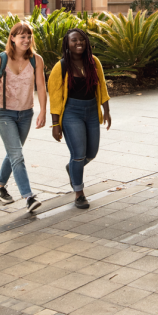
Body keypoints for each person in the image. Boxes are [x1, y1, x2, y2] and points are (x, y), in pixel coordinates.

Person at [0, 21, 47, 214]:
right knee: (17, 155)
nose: (26, 40)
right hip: (4, 113)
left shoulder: (36, 60)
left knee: (14, 153)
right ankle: (28, 197)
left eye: (29, 37)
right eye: (22, 36)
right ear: (12, 38)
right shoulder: (0, 59)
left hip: (26, 113)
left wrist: (43, 111)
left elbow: (42, 86)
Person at [48, 29, 112, 209]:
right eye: (74, 40)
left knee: (91, 153)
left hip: (92, 111)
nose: (79, 43)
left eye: (82, 40)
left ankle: (73, 168)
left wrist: (105, 110)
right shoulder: (61, 67)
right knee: (78, 155)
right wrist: (55, 124)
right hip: (71, 113)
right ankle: (79, 193)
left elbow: (102, 88)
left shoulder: (94, 62)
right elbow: (55, 97)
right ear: (67, 44)